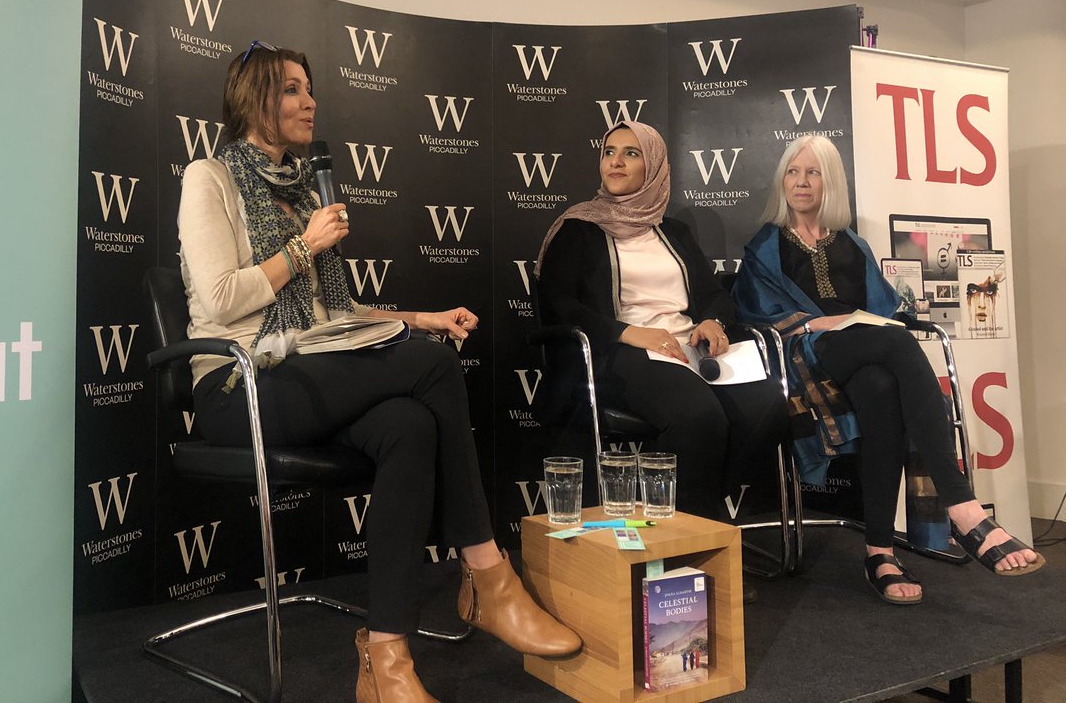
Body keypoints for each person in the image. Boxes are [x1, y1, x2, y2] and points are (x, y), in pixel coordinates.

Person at [178, 40, 580, 702]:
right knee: (430, 373)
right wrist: (304, 246)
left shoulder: (299, 189)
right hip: (241, 385)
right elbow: (221, 298)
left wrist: (422, 317)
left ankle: (384, 654)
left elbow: (333, 313)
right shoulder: (208, 178)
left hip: (309, 371)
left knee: (408, 424)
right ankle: (486, 574)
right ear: (254, 99)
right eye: (292, 90)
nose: (310, 103)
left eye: (311, 90)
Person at [733, 133, 1043, 604]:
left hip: (862, 351)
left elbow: (884, 307)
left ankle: (879, 550)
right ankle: (962, 506)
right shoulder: (766, 245)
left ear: (830, 181)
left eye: (812, 172)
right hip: (804, 353)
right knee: (895, 344)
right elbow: (756, 312)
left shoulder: (852, 244)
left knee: (881, 387)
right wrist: (823, 322)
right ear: (781, 181)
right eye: (792, 172)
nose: (801, 182)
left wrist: (868, 320)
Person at [535, 121, 787, 521]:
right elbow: (558, 305)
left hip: (691, 346)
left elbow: (713, 294)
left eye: (630, 154)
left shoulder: (674, 231)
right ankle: (691, 540)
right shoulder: (578, 229)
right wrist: (628, 333)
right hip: (624, 351)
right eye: (609, 152)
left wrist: (713, 321)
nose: (615, 162)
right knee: (698, 414)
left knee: (767, 405)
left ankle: (690, 510)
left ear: (653, 166)